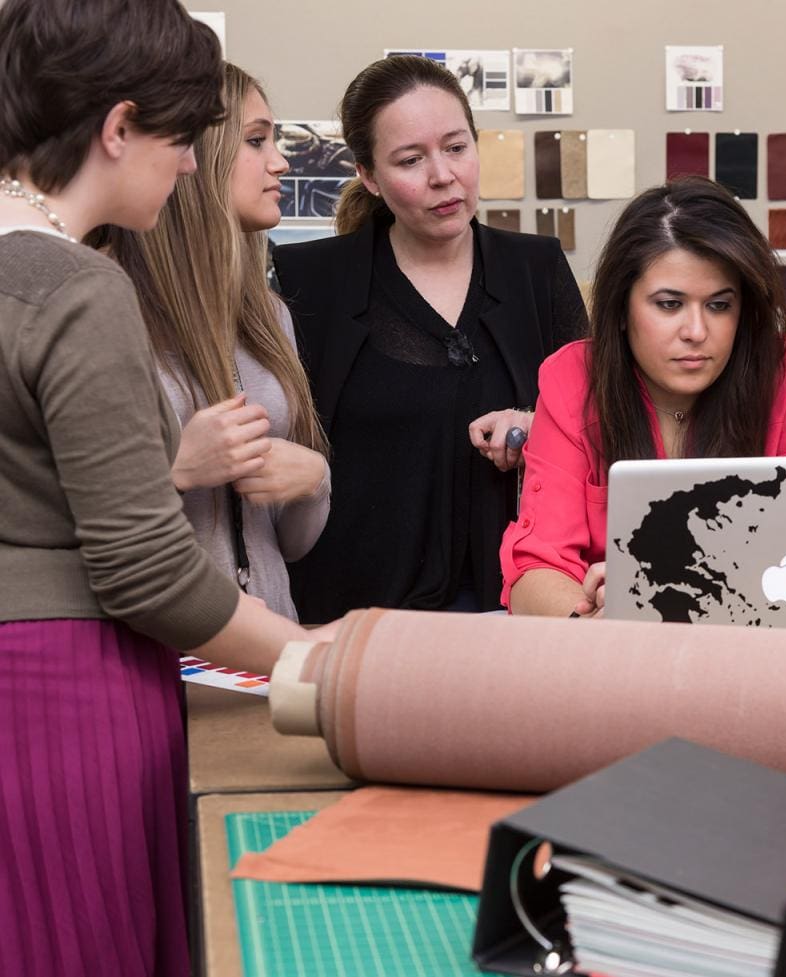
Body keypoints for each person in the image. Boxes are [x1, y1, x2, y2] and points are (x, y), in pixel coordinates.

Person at [0, 3, 329, 974]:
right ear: (116, 129)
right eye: (181, 138)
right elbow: (144, 569)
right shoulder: (75, 285)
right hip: (69, 694)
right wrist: (317, 660)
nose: (191, 166)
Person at [274, 54, 586, 619]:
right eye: (411, 160)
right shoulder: (308, 281)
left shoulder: (535, 268)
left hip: (517, 605)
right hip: (351, 618)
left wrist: (540, 428)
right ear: (369, 176)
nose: (443, 175)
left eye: (457, 147)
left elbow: (601, 421)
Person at [502, 177, 786, 617]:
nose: (696, 332)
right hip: (615, 658)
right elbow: (535, 565)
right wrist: (594, 618)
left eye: (720, 306)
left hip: (760, 650)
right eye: (669, 304)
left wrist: (670, 588)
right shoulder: (572, 379)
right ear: (621, 309)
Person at [104, 63, 330, 620]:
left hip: (264, 652)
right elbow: (58, 522)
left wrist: (314, 484)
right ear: (191, 156)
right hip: (156, 653)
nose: (280, 161)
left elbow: (291, 544)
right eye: (256, 141)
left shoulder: (269, 316)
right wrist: (176, 470)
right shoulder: (106, 306)